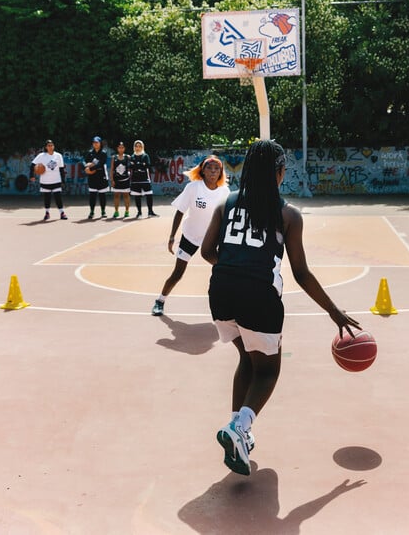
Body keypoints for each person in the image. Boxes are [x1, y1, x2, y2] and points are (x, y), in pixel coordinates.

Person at [201, 140, 361, 477]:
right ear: (280, 173)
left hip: (220, 293)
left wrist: (232, 265)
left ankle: (237, 432)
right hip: (258, 297)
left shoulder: (226, 205)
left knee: (246, 358)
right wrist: (334, 311)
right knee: (269, 370)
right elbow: (301, 273)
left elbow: (206, 252)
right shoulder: (288, 214)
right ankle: (239, 429)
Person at [152, 155, 230, 317]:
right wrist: (172, 236)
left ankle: (226, 306)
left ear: (221, 172)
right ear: (202, 170)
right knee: (178, 273)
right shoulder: (193, 188)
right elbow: (180, 211)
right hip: (190, 236)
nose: (213, 171)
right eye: (209, 168)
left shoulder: (225, 191)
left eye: (217, 169)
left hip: (212, 239)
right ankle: (160, 301)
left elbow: (226, 218)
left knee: (223, 272)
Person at [30, 139, 67, 220]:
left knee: (58, 197)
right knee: (47, 197)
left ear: (54, 146)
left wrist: (63, 181)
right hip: (45, 180)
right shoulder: (41, 156)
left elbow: (61, 169)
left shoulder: (58, 156)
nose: (50, 147)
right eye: (48, 145)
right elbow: (32, 165)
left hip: (56, 180)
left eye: (51, 145)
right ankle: (47, 213)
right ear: (46, 147)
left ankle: (62, 213)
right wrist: (32, 175)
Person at [129, 140, 157, 218]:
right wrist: (141, 164)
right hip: (135, 180)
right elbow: (130, 166)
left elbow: (147, 165)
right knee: (137, 196)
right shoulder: (132, 156)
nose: (138, 148)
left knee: (149, 195)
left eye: (140, 146)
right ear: (134, 147)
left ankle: (150, 212)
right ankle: (139, 213)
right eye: (136, 146)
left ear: (142, 147)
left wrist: (136, 164)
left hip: (145, 179)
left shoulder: (145, 156)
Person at [83, 136, 109, 219]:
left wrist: (90, 168)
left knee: (102, 195)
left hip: (101, 176)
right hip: (92, 177)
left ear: (100, 143)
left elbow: (100, 164)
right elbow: (84, 161)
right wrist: (85, 166)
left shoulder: (103, 153)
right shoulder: (90, 153)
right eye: (94, 142)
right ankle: (92, 211)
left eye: (97, 142)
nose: (95, 144)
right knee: (92, 195)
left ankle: (103, 211)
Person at [110, 141, 131, 218]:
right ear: (117, 148)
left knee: (126, 195)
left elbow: (130, 168)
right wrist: (112, 180)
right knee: (116, 196)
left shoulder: (128, 157)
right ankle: (116, 211)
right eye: (119, 147)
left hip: (125, 180)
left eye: (122, 147)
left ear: (124, 148)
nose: (121, 149)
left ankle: (127, 211)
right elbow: (112, 169)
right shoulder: (114, 157)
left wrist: (129, 175)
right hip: (116, 180)